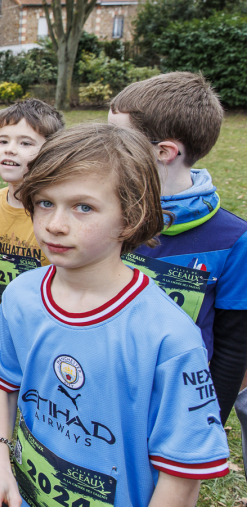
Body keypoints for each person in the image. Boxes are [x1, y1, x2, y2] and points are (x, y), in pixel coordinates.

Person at [0, 123, 230, 507]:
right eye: (45, 202)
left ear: (131, 216)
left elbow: (182, 475)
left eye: (83, 207)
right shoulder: (21, 296)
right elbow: (4, 385)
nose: (55, 225)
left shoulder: (170, 338)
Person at [108, 72, 247, 426]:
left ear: (164, 151)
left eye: (117, 139)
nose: (104, 148)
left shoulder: (233, 240)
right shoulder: (107, 214)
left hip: (173, 406)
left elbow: (233, 348)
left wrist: (204, 423)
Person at [0, 99, 64, 472]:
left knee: (38, 428)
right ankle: (3, 477)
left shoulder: (56, 213)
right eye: (4, 140)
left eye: (25, 143)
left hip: (47, 339)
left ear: (49, 152)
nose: (10, 150)